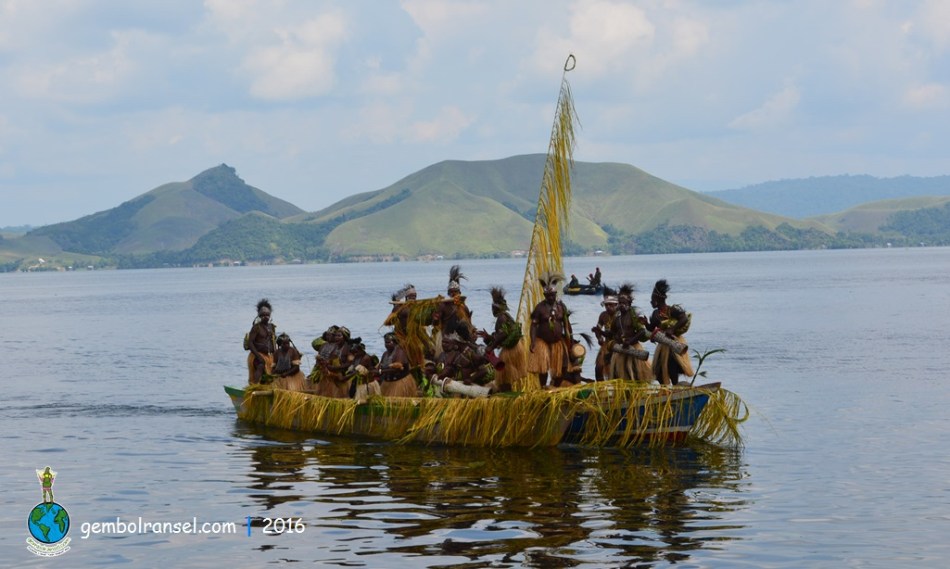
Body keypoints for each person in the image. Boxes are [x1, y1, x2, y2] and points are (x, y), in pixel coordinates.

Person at [478, 287, 528, 392]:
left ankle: (506, 393)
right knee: (507, 373)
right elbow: (502, 335)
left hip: (511, 350)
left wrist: (491, 347)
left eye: (493, 308)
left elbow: (503, 334)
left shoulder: (501, 317)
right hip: (516, 348)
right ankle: (508, 391)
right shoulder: (505, 316)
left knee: (504, 373)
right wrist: (489, 337)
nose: (492, 310)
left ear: (496, 308)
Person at [527, 273, 572, 388]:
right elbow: (533, 326)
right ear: (544, 295)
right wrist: (533, 341)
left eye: (552, 295)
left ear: (556, 294)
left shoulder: (561, 307)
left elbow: (567, 324)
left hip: (558, 342)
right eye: (548, 295)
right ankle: (543, 387)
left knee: (564, 366)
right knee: (543, 368)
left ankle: (555, 387)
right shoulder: (540, 308)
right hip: (543, 342)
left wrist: (570, 340)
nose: (550, 297)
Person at [647, 279, 694, 385]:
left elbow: (684, 319)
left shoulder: (672, 309)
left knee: (672, 366)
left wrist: (672, 329)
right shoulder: (655, 314)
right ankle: (664, 389)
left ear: (658, 299)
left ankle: (676, 387)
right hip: (663, 345)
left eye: (652, 299)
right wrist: (646, 323)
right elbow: (651, 328)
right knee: (658, 371)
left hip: (674, 342)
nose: (651, 302)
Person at [606, 283, 653, 382]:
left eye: (624, 303)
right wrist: (604, 334)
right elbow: (612, 333)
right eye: (620, 303)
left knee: (636, 375)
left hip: (634, 348)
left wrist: (630, 341)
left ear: (629, 303)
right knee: (617, 376)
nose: (621, 305)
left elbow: (642, 331)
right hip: (620, 350)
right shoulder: (616, 318)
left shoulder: (634, 315)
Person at [432, 265, 476, 355]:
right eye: (451, 292)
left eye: (455, 291)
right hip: (447, 338)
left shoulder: (463, 307)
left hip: (462, 337)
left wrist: (473, 333)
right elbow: (435, 324)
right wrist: (435, 319)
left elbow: (469, 325)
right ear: (448, 293)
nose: (453, 294)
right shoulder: (443, 306)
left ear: (459, 293)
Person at [377, 332, 419, 397]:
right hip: (387, 382)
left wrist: (381, 371)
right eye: (385, 342)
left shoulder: (400, 352)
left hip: (399, 382)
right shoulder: (385, 354)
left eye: (388, 342)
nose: (386, 345)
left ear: (395, 342)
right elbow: (381, 366)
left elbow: (397, 369)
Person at [591, 286, 619, 381]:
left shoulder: (620, 315)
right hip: (606, 345)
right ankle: (601, 388)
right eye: (606, 305)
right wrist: (599, 338)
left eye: (610, 305)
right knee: (598, 368)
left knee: (616, 370)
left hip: (619, 345)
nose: (608, 307)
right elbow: (598, 329)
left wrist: (600, 332)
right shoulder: (603, 315)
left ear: (616, 304)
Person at [246, 298, 276, 385]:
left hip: (269, 356)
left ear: (270, 315)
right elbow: (250, 343)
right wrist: (258, 356)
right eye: (263, 315)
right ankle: (254, 386)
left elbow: (273, 342)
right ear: (259, 315)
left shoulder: (271, 327)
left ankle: (266, 387)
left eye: (267, 315)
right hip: (256, 355)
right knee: (261, 365)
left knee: (274, 371)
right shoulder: (256, 327)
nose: (265, 317)